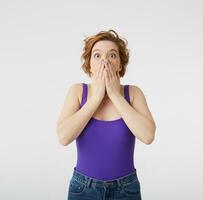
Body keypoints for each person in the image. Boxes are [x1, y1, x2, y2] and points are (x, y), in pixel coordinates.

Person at [56, 29, 156, 200]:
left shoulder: (133, 93)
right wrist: (95, 98)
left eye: (112, 55)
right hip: (83, 189)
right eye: (97, 56)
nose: (105, 61)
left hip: (126, 189)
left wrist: (115, 95)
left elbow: (148, 136)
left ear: (120, 64)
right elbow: (63, 137)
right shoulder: (78, 92)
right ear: (89, 65)